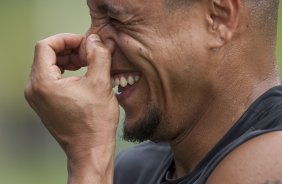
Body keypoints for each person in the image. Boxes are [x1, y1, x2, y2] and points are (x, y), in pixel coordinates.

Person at [24, 0, 282, 183]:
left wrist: (89, 155)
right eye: (94, 20)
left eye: (117, 20)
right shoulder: (134, 170)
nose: (89, 50)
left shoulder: (272, 161)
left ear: (218, 18)